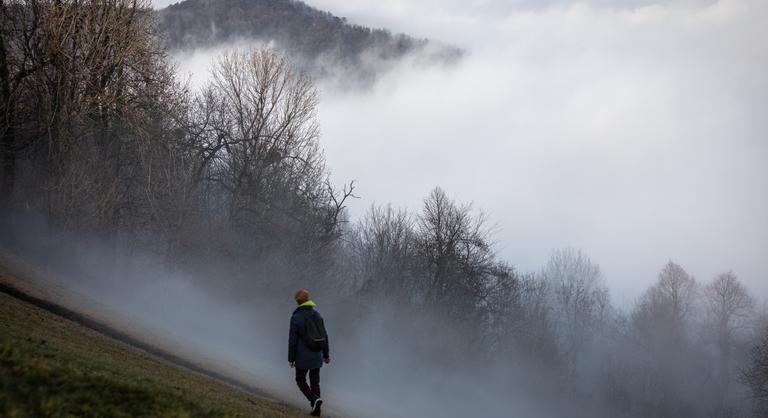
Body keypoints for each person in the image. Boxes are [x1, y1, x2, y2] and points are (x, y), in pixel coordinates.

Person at [289, 289, 330, 416]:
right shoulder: (317, 315)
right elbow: (325, 335)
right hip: (317, 355)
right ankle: (316, 409)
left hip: (302, 356)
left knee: (300, 380)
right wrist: (326, 354)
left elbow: (293, 340)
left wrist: (291, 358)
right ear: (308, 299)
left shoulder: (296, 317)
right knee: (315, 381)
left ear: (297, 301)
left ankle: (314, 400)